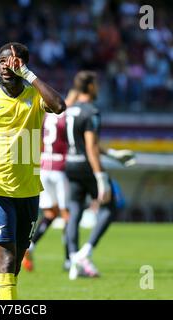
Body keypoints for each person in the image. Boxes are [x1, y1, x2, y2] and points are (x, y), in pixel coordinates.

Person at [0, 42, 66, 299]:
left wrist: (29, 75)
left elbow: (59, 106)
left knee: (14, 266)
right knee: (6, 260)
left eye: (14, 62)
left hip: (29, 191)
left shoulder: (34, 97)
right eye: (2, 61)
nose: (7, 66)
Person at [64, 71, 134, 280]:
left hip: (70, 164)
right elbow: (91, 147)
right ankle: (85, 252)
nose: (99, 88)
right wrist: (101, 177)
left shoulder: (70, 110)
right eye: (97, 84)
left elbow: (82, 142)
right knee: (111, 205)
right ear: (91, 87)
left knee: (74, 211)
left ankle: (72, 257)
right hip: (87, 166)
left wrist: (112, 153)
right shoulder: (92, 111)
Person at [22, 111, 71, 272]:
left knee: (50, 214)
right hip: (60, 167)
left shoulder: (44, 115)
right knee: (67, 215)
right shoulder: (68, 115)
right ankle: (69, 260)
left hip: (44, 166)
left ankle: (31, 246)